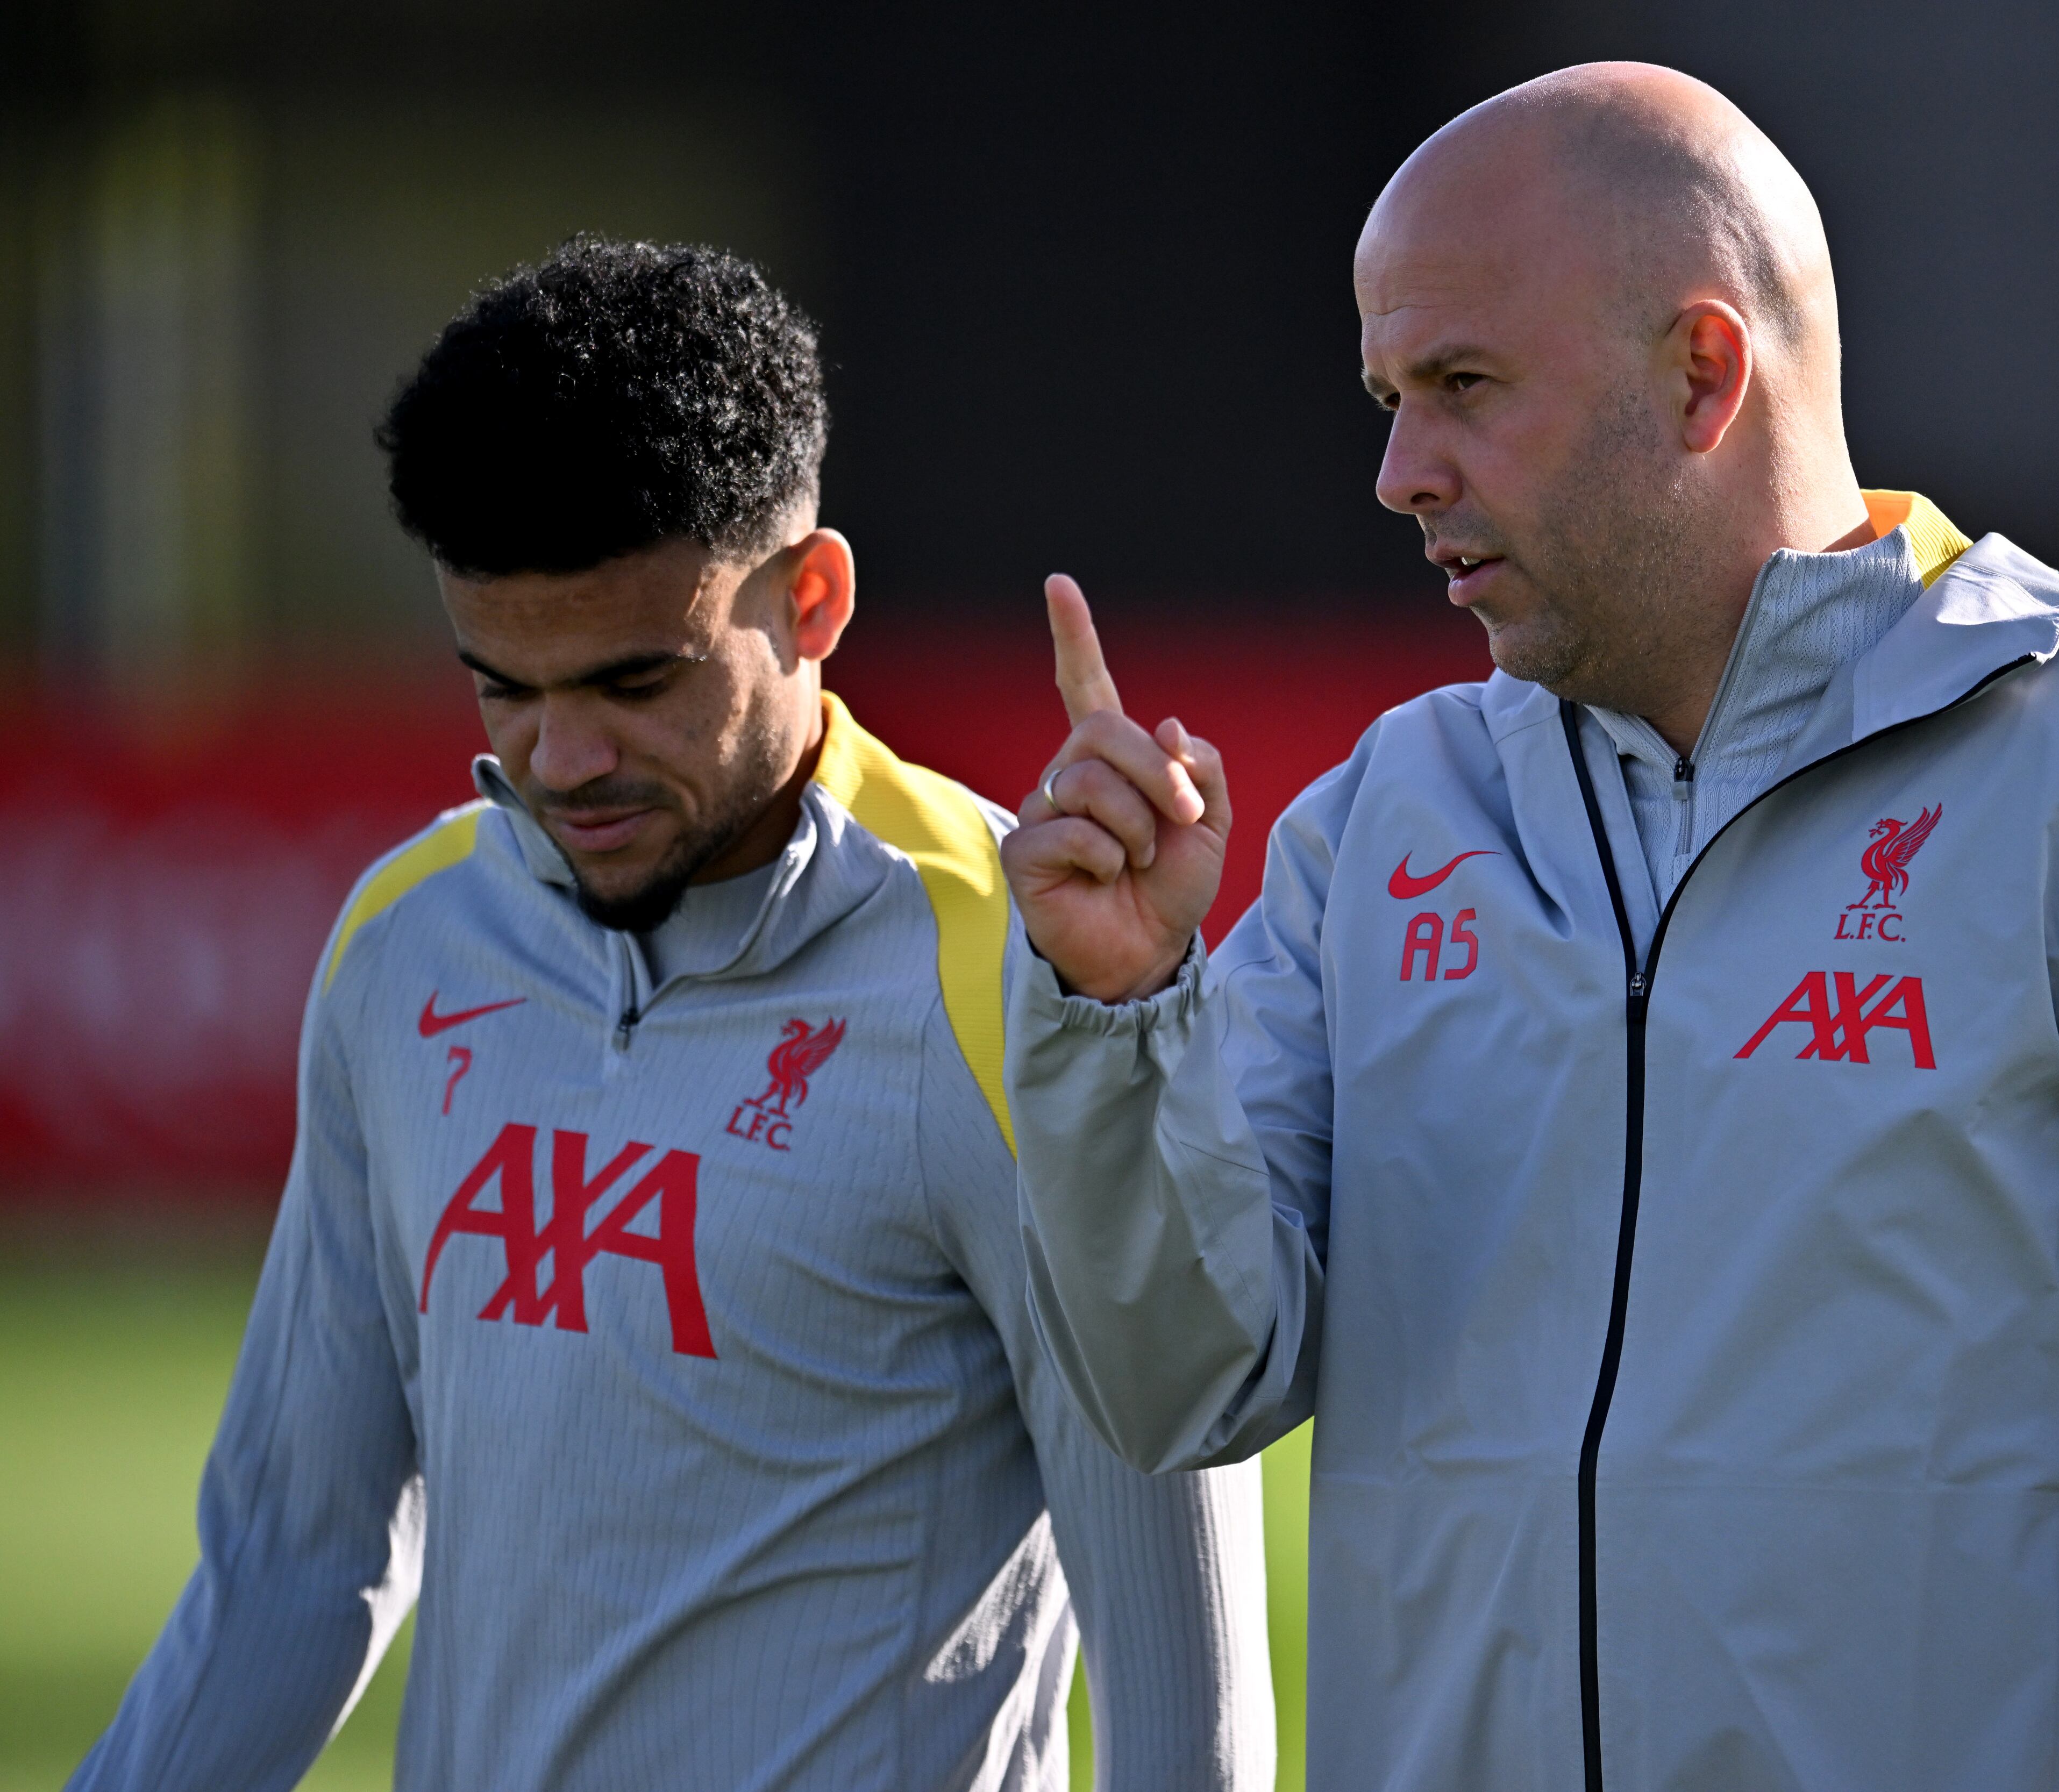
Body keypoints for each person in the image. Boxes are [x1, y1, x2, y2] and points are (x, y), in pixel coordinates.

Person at [1001, 65, 2059, 1791]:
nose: (1398, 471)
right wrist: (1122, 1022)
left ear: (1704, 372)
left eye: (1462, 388)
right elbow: (1183, 1384)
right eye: (1386, 397)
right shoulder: (1384, 820)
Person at [73, 238, 1273, 1792]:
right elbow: (290, 1571)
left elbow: (1188, 1704)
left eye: (638, 682)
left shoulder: (1026, 974)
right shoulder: (407, 941)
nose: (562, 761)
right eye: (503, 686)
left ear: (814, 596)